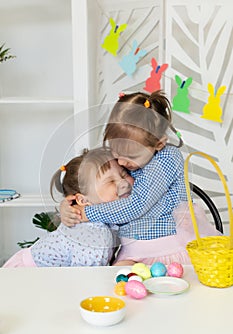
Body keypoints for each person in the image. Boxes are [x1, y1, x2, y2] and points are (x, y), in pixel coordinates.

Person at [60, 91, 220, 265]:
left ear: (158, 144)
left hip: (168, 248)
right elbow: (91, 185)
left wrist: (87, 213)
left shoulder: (166, 159)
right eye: (116, 151)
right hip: (133, 251)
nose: (120, 161)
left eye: (130, 156)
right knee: (116, 280)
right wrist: (71, 206)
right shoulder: (126, 157)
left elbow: (137, 204)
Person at [3, 148, 134, 268]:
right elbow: (85, 279)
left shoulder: (99, 218)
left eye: (123, 175)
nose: (123, 183)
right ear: (82, 200)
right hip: (28, 275)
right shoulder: (96, 236)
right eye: (110, 181)